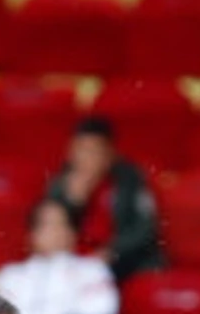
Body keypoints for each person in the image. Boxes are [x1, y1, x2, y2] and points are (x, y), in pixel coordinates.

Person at [0, 193, 118, 314]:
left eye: (61, 224)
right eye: (47, 225)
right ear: (32, 234)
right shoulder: (10, 275)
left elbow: (100, 313)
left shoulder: (92, 270)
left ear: (73, 233)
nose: (55, 232)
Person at [48, 117, 160, 276]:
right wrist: (73, 204)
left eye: (94, 150)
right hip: (74, 265)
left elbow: (144, 229)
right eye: (80, 150)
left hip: (123, 262)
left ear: (110, 154)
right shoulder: (60, 185)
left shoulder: (130, 180)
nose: (86, 158)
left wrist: (112, 252)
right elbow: (48, 230)